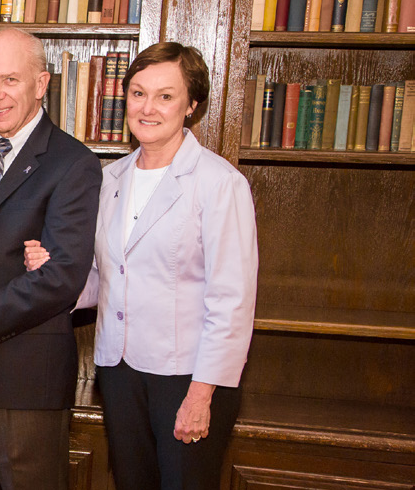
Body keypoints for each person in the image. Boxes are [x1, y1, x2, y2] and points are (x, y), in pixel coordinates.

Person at [25, 42, 258, 490]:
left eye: (165, 96)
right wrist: (57, 273)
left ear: (191, 105)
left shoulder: (220, 183)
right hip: (119, 373)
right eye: (137, 93)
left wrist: (201, 394)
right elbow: (104, 278)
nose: (147, 108)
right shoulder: (109, 178)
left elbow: (232, 301)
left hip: (188, 379)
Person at [0, 28, 102, 490]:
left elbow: (61, 277)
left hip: (24, 376)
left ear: (41, 83)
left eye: (9, 79)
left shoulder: (73, 164)